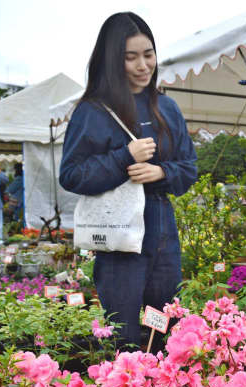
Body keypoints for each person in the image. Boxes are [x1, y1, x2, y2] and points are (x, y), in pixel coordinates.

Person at [59, 12, 197, 347]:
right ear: (111, 60)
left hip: (162, 234)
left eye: (148, 54)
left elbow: (189, 167)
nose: (142, 65)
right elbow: (71, 174)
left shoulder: (167, 107)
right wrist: (124, 158)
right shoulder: (92, 111)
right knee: (124, 333)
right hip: (119, 238)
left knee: (162, 325)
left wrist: (162, 172)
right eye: (130, 57)